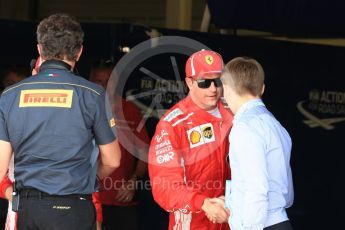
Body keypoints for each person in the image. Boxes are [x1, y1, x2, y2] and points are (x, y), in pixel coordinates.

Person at [0, 13, 121, 230]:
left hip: (28, 209)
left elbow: (0, 167)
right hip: (74, 207)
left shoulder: (10, 95)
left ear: (39, 49)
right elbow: (113, 160)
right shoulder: (92, 94)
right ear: (79, 51)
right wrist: (86, 178)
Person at [148, 49, 233, 230]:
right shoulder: (173, 124)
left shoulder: (235, 112)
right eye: (204, 82)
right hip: (193, 223)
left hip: (233, 220)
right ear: (189, 82)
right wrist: (204, 203)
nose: (213, 88)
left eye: (218, 80)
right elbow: (164, 186)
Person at [220, 57, 294, 230]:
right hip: (278, 221)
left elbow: (256, 189)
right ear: (262, 89)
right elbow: (287, 193)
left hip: (261, 225)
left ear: (226, 87)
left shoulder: (245, 127)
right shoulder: (277, 126)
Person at [89, 59, 149, 230]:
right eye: (98, 81)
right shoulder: (82, 107)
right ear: (90, 81)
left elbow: (145, 151)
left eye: (108, 81)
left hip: (121, 201)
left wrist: (134, 180)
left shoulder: (129, 110)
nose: (104, 86)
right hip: (87, 198)